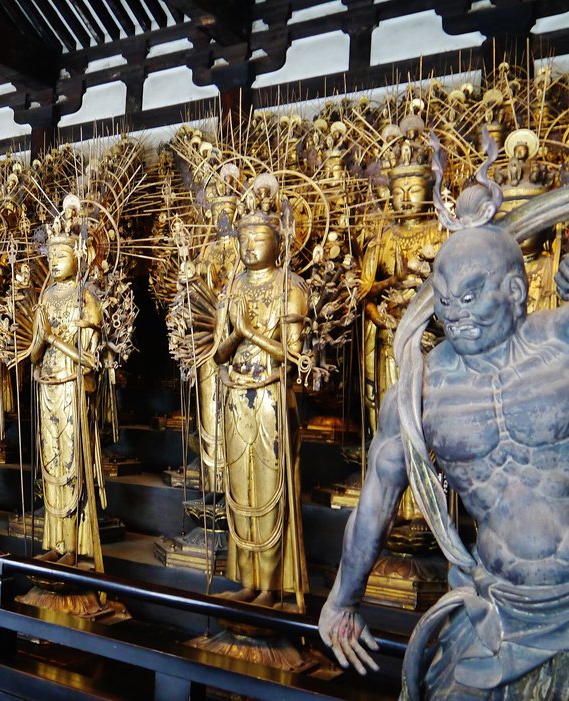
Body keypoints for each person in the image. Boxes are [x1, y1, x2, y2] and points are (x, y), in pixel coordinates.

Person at [319, 222, 569, 698]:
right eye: (446, 301)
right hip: (496, 604)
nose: (455, 317)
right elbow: (376, 503)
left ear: (515, 291)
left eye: (470, 299)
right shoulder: (420, 390)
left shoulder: (560, 343)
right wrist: (342, 599)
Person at [212, 175, 308, 610]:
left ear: (277, 239)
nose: (250, 246)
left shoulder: (290, 288)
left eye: (259, 236)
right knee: (241, 485)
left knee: (271, 487)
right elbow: (217, 353)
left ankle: (273, 585)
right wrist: (236, 335)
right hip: (236, 393)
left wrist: (251, 333)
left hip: (272, 394)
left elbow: (294, 355)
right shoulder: (231, 288)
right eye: (245, 237)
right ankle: (247, 577)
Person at [27, 200, 103, 564]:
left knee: (72, 460)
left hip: (73, 385)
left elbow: (91, 358)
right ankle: (56, 542)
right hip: (48, 384)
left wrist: (61, 342)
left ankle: (74, 545)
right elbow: (33, 353)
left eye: (62, 253)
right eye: (51, 254)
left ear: (79, 255)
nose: (55, 260)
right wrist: (42, 340)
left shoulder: (84, 297)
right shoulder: (44, 299)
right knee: (51, 458)